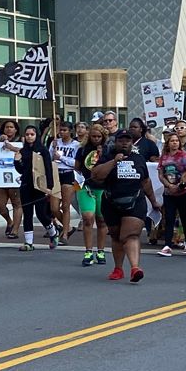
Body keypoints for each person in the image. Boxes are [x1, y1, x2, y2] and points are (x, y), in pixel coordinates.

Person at [91, 130, 160, 283]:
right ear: (115, 142)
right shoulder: (107, 157)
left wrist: (154, 201)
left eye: (127, 140)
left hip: (135, 202)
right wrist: (114, 161)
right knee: (116, 236)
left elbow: (146, 182)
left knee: (130, 235)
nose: (124, 143)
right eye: (121, 140)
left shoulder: (139, 159)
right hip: (111, 203)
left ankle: (135, 268)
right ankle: (118, 268)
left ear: (131, 142)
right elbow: (96, 175)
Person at [14, 124, 58, 251]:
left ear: (36, 136)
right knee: (27, 214)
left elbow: (48, 169)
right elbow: (21, 170)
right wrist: (17, 161)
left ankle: (53, 232)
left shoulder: (42, 150)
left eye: (32, 134)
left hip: (40, 186)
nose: (29, 137)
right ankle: (29, 242)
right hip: (26, 186)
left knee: (41, 214)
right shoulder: (22, 151)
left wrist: (49, 186)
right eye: (27, 134)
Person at [157, 132, 186, 257]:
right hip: (169, 192)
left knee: (185, 218)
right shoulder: (164, 157)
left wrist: (180, 185)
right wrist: (168, 185)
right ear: (168, 143)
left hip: (183, 192)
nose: (174, 142)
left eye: (176, 140)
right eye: (172, 141)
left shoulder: (184, 155)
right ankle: (167, 245)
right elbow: (160, 173)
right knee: (169, 218)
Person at [74, 123, 110, 266]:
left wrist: (102, 155)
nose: (96, 139)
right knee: (88, 218)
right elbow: (77, 168)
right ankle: (88, 250)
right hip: (86, 187)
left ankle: (100, 250)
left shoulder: (108, 151)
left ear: (103, 137)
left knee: (101, 220)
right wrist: (77, 183)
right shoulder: (82, 150)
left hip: (102, 188)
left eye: (98, 137)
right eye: (93, 136)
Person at [0, 119, 24, 239]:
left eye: (11, 127)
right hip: (1, 176)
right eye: (6, 127)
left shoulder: (21, 140)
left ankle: (15, 230)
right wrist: (0, 141)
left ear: (16, 129)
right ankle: (9, 221)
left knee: (17, 203)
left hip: (16, 176)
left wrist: (12, 148)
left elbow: (26, 152)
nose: (9, 129)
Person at [50, 121, 80, 242]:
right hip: (56, 174)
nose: (62, 132)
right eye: (60, 130)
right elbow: (49, 157)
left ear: (70, 131)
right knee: (54, 208)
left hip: (68, 174)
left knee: (66, 205)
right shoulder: (55, 143)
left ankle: (65, 235)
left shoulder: (76, 145)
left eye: (64, 130)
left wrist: (61, 157)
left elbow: (76, 163)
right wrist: (53, 150)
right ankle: (67, 228)